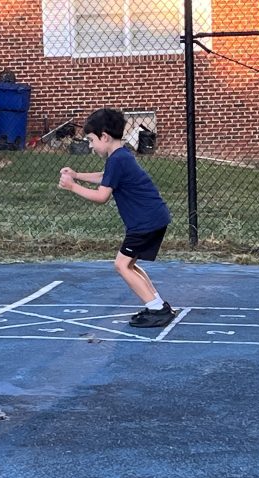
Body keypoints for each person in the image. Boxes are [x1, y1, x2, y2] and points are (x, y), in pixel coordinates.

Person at [58, 108, 176, 328]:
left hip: (145, 222)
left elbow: (102, 196)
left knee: (121, 265)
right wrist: (77, 175)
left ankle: (157, 309)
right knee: (128, 264)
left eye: (91, 140)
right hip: (152, 219)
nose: (91, 146)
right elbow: (105, 177)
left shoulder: (118, 159)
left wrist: (72, 186)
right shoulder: (121, 156)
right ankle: (158, 304)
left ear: (104, 137)